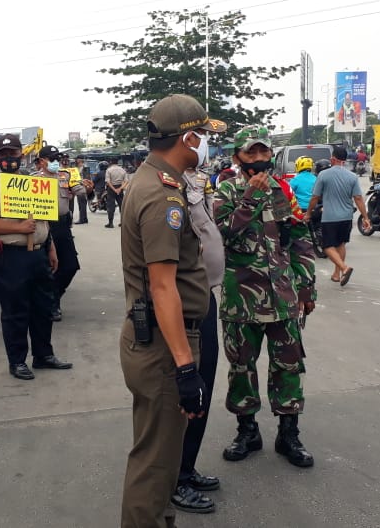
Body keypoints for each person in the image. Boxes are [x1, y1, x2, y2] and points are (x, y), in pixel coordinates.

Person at [119, 93, 224, 528]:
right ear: (188, 137)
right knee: (156, 462)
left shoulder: (159, 181)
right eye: (204, 137)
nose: (207, 146)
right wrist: (185, 368)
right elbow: (162, 286)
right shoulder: (161, 196)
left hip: (164, 339)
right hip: (165, 346)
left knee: (161, 455)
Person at [213, 128, 317, 469]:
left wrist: (306, 288)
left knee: (289, 366)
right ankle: (247, 431)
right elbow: (223, 232)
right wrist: (252, 198)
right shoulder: (225, 190)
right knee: (241, 367)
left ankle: (289, 434)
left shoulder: (281, 190)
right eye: (251, 153)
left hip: (282, 296)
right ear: (237, 157)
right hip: (241, 298)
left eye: (263, 153)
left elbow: (299, 239)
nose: (259, 160)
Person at [0, 134, 73, 381]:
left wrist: (50, 248)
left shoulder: (34, 184)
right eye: (4, 155)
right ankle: (17, 361)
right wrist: (18, 228)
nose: (9, 159)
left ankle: (43, 355)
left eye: (13, 154)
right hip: (10, 256)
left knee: (43, 307)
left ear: (22, 154)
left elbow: (43, 220)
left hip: (37, 253)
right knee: (16, 311)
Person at [171, 163, 223, 515]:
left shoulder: (198, 184)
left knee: (204, 388)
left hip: (205, 296)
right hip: (183, 302)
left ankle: (186, 469)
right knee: (185, 394)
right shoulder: (165, 191)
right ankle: (174, 480)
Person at [304, 145, 371, 286]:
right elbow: (358, 198)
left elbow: (315, 197)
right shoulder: (352, 176)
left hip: (330, 217)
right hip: (346, 217)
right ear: (345, 160)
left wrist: (308, 213)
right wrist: (365, 217)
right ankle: (336, 274)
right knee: (341, 244)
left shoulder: (323, 175)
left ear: (333, 159)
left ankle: (344, 268)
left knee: (327, 246)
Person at [32, 145, 80, 322]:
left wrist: (87, 190)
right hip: (44, 225)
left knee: (71, 265)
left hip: (62, 226)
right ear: (42, 161)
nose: (55, 162)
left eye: (57, 159)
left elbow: (78, 191)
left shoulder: (65, 176)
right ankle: (51, 304)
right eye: (52, 159)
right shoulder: (34, 179)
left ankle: (54, 296)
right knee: (48, 267)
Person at [105, 161, 129, 228]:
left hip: (111, 189)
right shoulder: (122, 170)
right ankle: (123, 222)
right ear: (117, 162)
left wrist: (114, 189)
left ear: (111, 163)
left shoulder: (109, 170)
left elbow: (108, 182)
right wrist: (120, 188)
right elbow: (127, 181)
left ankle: (110, 223)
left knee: (111, 206)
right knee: (122, 206)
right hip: (120, 189)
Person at [70, 156, 90, 225]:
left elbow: (87, 178)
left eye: (77, 159)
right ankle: (84, 219)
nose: (76, 160)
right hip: (77, 186)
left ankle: (82, 219)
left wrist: (84, 184)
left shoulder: (85, 168)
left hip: (82, 187)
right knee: (82, 204)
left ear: (80, 160)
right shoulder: (76, 168)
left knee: (82, 203)